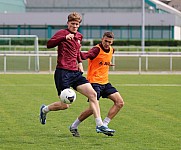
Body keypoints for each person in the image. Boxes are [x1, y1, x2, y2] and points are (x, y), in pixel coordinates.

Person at [39, 12, 115, 135]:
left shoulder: (79, 36)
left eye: (77, 24)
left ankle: (100, 125)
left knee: (93, 94)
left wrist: (79, 63)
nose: (74, 26)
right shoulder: (62, 33)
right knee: (65, 105)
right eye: (72, 24)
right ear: (68, 23)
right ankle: (45, 109)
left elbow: (76, 51)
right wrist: (64, 38)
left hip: (75, 73)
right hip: (62, 73)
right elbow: (49, 44)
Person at [69, 31, 124, 137]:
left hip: (105, 82)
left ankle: (104, 125)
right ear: (102, 39)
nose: (107, 44)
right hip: (94, 82)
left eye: (109, 42)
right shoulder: (96, 49)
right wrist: (75, 53)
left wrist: (107, 64)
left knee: (119, 102)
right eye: (106, 41)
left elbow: (103, 60)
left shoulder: (112, 50)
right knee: (91, 109)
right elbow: (84, 56)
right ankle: (74, 126)